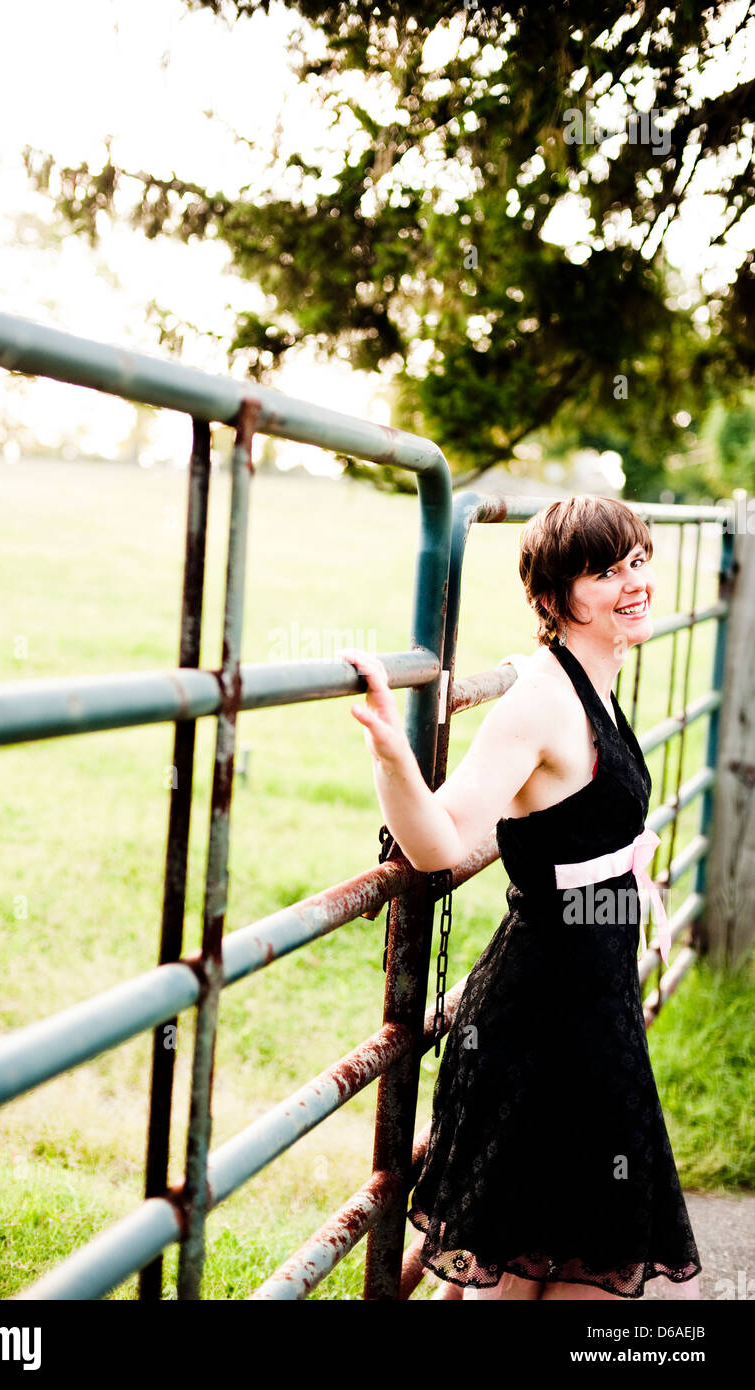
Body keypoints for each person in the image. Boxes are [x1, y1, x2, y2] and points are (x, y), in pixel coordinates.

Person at [337, 495, 702, 1301]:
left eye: (636, 560)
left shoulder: (594, 680)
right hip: (540, 1026)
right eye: (603, 572)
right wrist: (394, 756)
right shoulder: (540, 699)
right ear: (551, 599)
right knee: (525, 1279)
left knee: (585, 1267)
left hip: (592, 1014)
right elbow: (439, 842)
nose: (632, 582)